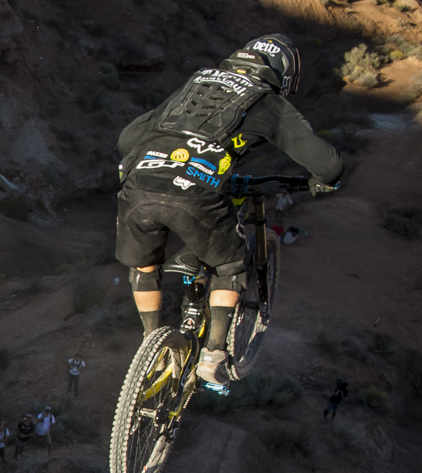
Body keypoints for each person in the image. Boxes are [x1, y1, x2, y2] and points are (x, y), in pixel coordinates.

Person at [115, 34, 342, 391]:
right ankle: (214, 355)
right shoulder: (268, 102)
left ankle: (152, 344)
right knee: (231, 264)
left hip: (139, 184)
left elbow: (127, 140)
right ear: (283, 76)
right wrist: (322, 181)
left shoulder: (197, 81)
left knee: (144, 265)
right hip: (196, 193)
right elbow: (327, 164)